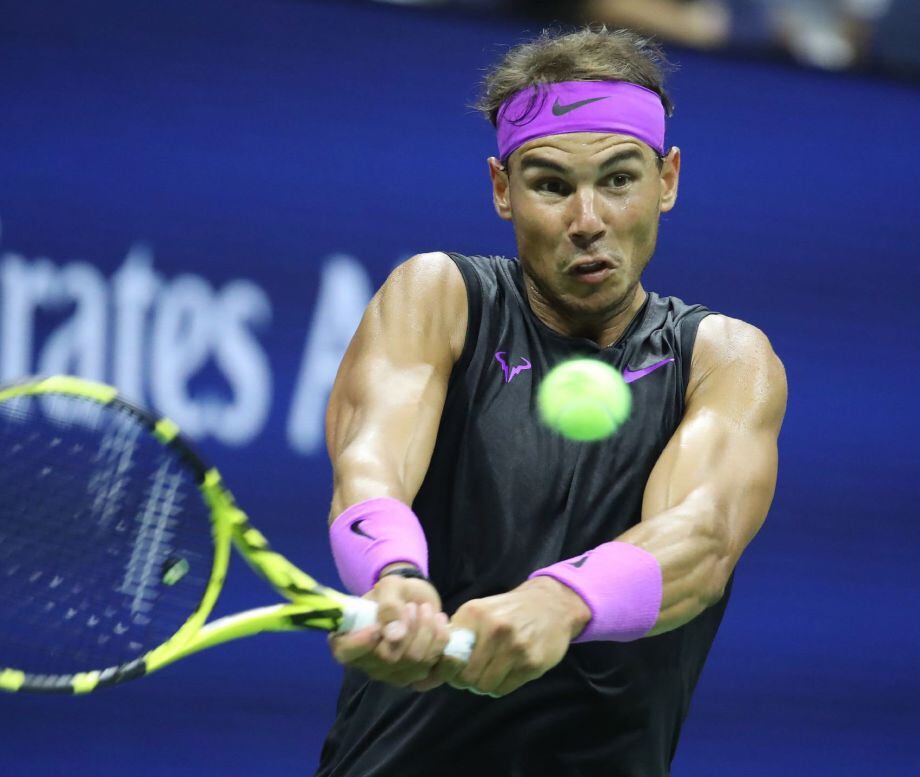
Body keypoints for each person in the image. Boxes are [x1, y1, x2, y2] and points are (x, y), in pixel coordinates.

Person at [316, 27, 787, 777]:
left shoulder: (726, 359)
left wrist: (561, 601)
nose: (588, 219)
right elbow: (369, 459)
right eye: (551, 185)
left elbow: (701, 539)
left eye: (619, 179)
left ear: (667, 178)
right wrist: (394, 576)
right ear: (502, 189)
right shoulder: (437, 296)